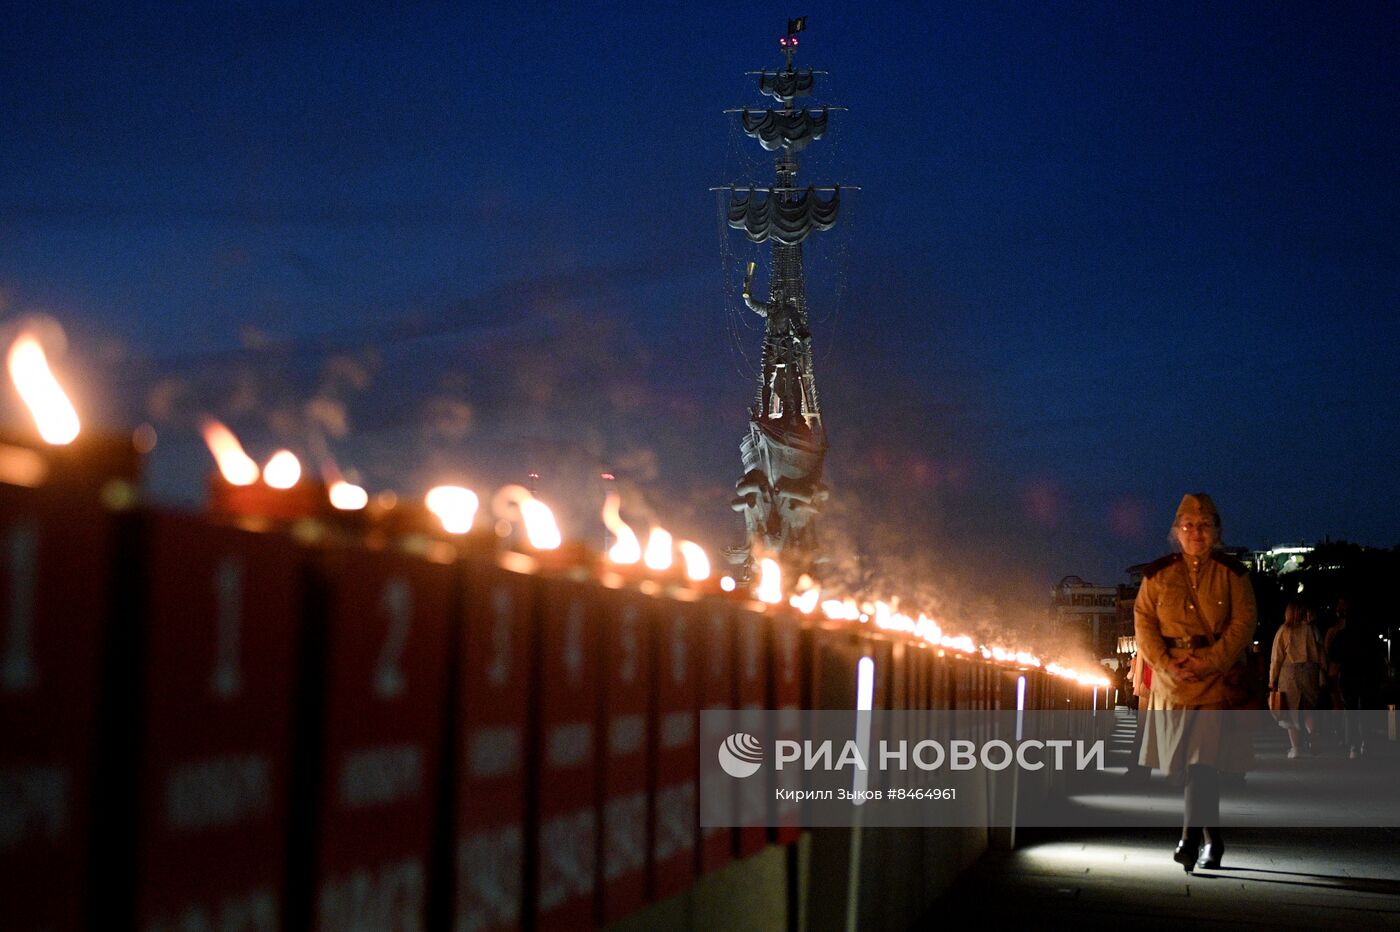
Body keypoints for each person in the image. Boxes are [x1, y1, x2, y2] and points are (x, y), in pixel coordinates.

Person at [1134, 493, 1257, 873]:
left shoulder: (1233, 575)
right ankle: (1213, 839)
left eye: (1204, 526)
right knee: (1185, 767)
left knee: (1202, 762)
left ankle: (1189, 839)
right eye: (1188, 526)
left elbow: (1243, 624)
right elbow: (1143, 622)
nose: (1196, 533)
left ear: (1216, 531)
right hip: (1172, 683)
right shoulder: (1157, 575)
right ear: (1176, 532)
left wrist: (1211, 660)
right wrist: (1167, 663)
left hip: (1214, 682)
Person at [1270, 600, 1326, 758]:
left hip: (1289, 673)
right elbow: (1321, 652)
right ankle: (1313, 732)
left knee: (1291, 712)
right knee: (1308, 707)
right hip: (1310, 671)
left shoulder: (1283, 630)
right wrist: (1323, 673)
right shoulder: (1312, 629)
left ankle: (1295, 749)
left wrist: (1272, 679)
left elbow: (1276, 657)